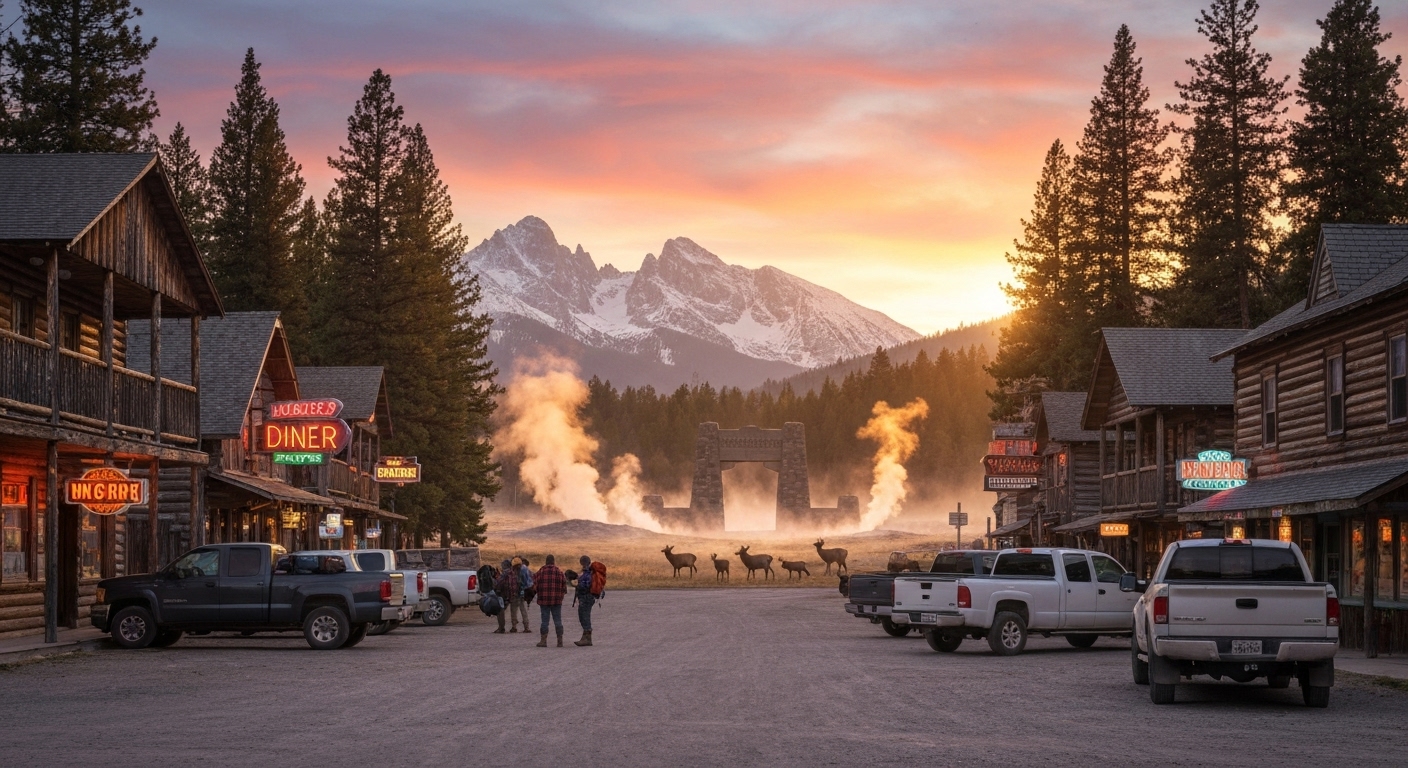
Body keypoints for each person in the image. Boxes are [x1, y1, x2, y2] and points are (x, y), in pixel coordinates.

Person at [533, 554, 567, 647]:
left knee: (544, 621)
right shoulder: (559, 572)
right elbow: (564, 587)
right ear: (553, 561)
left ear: (546, 561)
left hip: (544, 600)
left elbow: (534, 584)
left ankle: (543, 641)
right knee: (558, 620)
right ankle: (560, 641)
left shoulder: (541, 571)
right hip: (556, 600)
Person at [571, 554, 598, 647]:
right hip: (589, 597)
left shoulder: (587, 572)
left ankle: (587, 638)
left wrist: (577, 585)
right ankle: (585, 637)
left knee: (584, 616)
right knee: (584, 616)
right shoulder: (591, 572)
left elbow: (586, 585)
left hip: (586, 597)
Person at [492, 559, 520, 634]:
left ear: (504, 566)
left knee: (500, 611)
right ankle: (514, 627)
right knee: (513, 612)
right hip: (514, 595)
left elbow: (498, 583)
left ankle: (501, 628)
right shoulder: (513, 573)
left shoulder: (505, 573)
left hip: (506, 595)